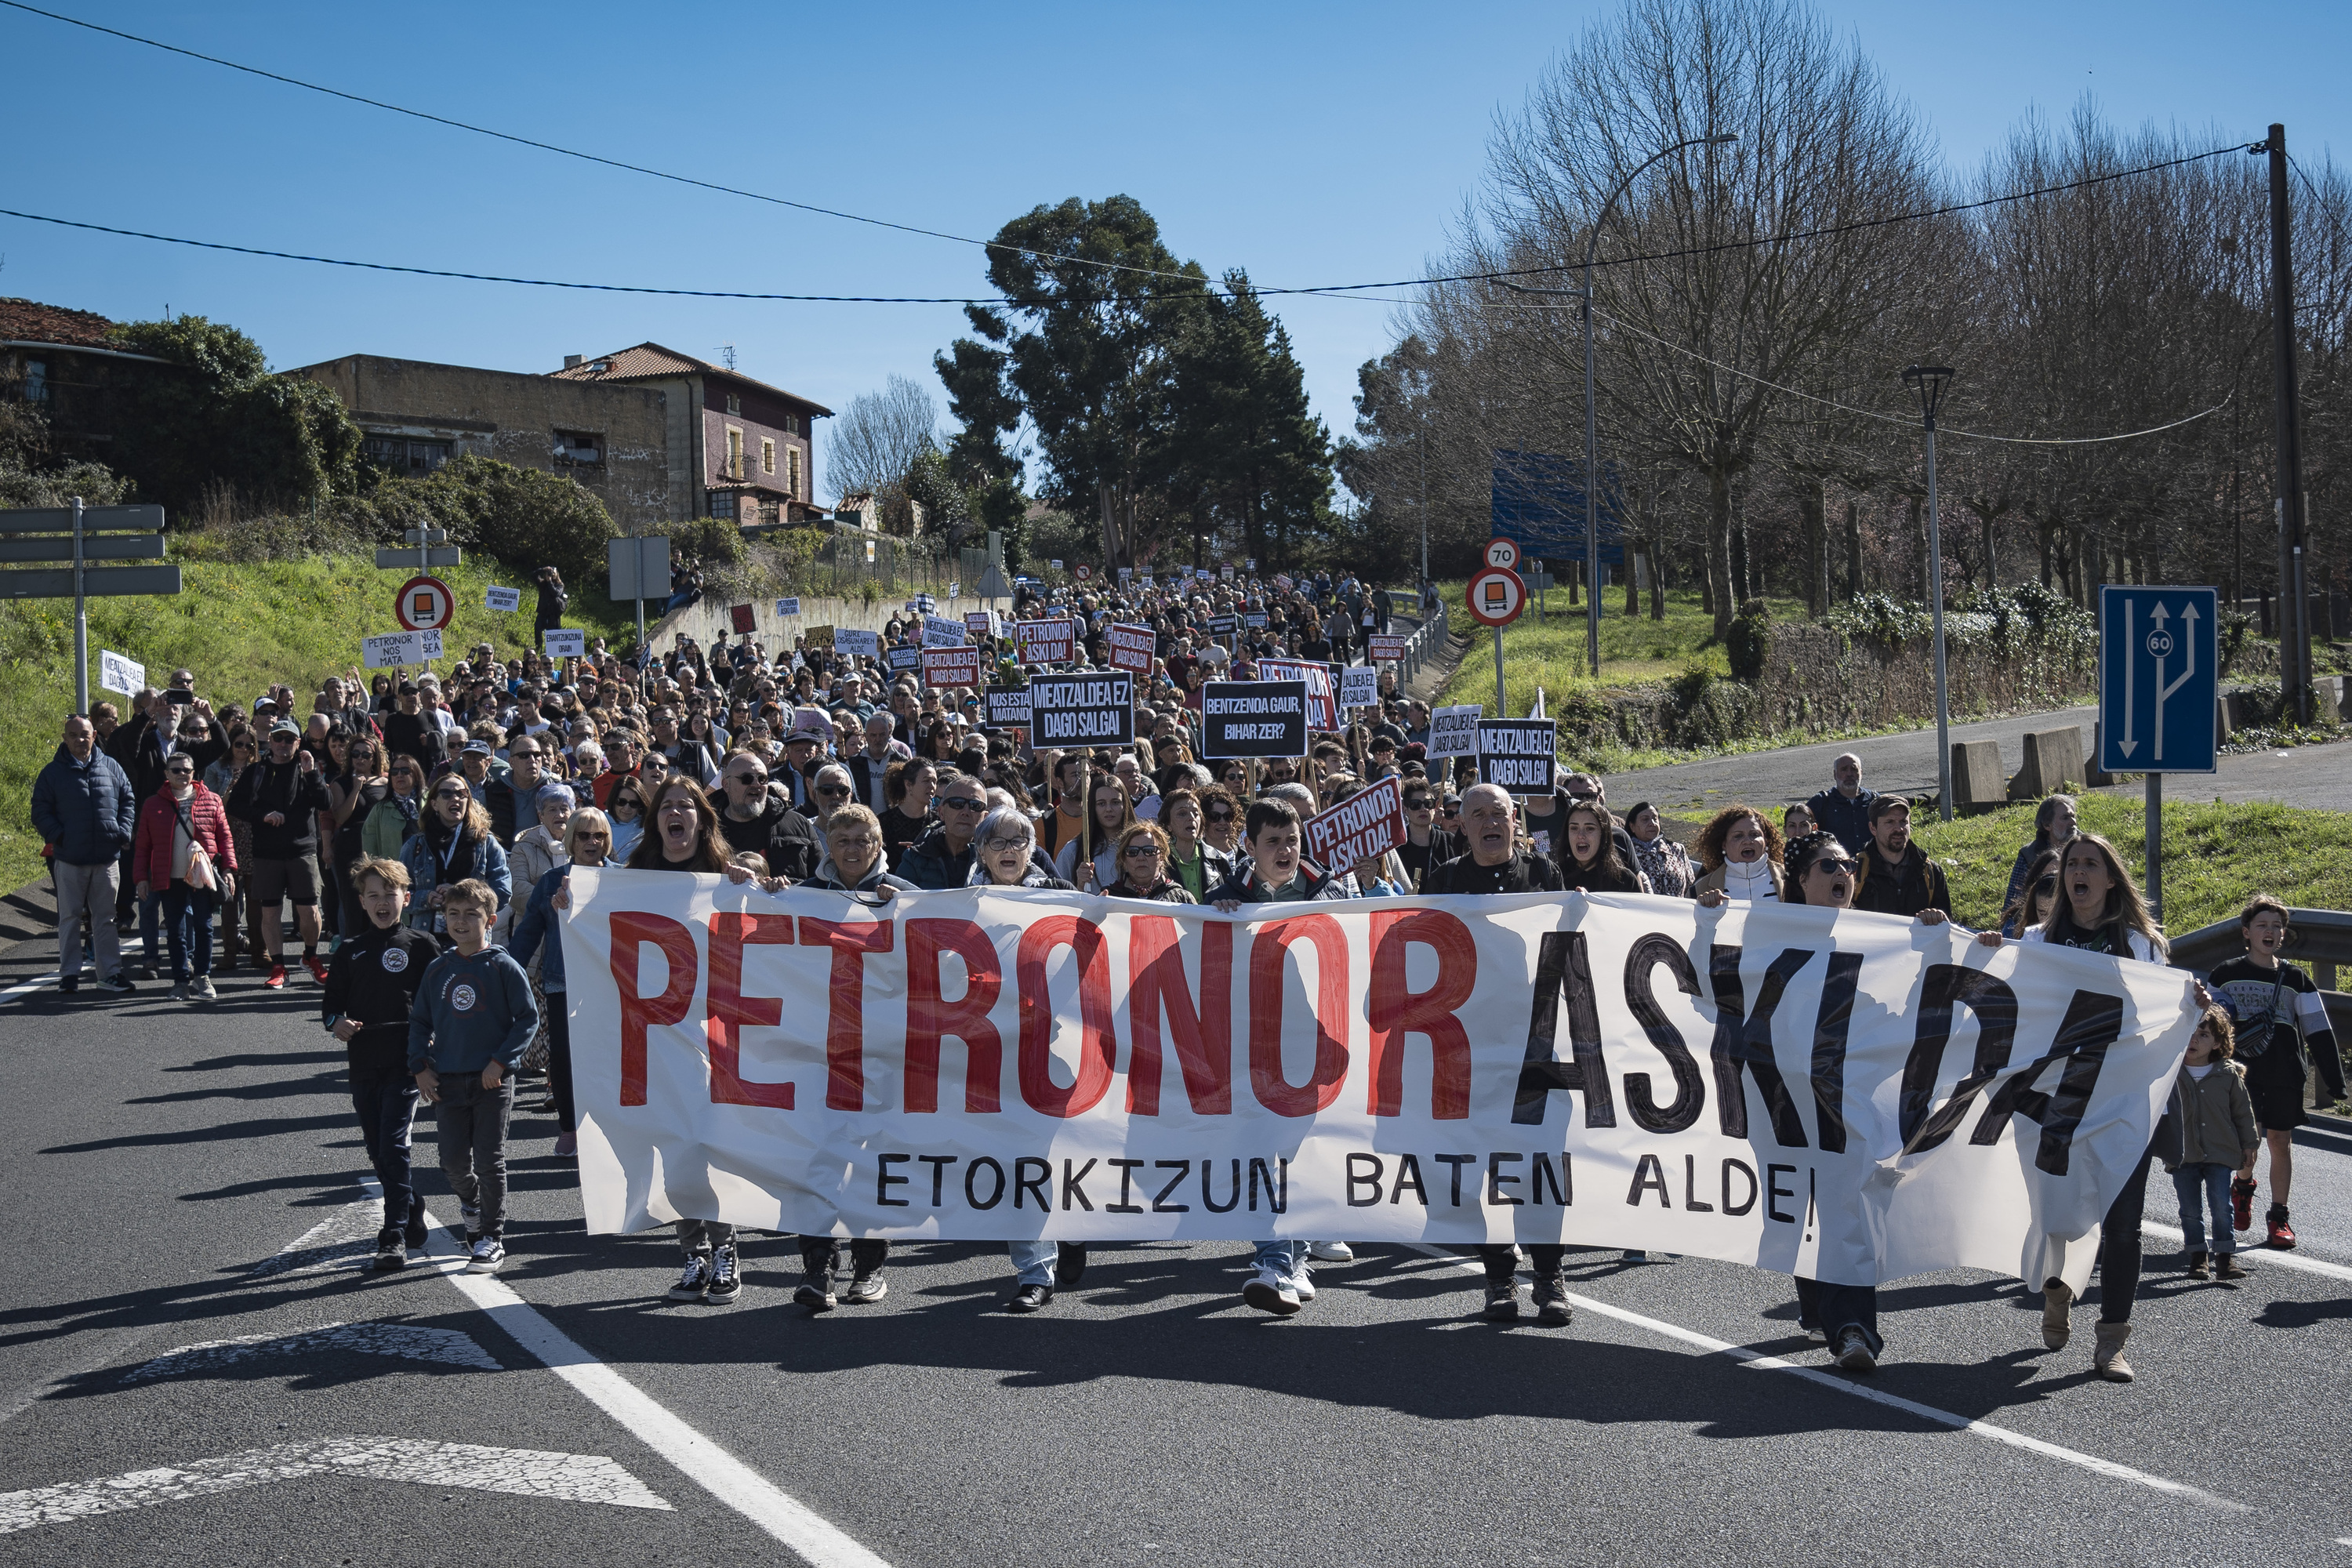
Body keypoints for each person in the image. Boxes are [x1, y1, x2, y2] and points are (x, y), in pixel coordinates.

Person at [1976, 833, 2186, 1382]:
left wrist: (2196, 1003)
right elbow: (2011, 1003)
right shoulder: (2039, 941)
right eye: (2072, 864)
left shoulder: (2143, 946)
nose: (2079, 872)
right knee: (2056, 1216)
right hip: (2056, 1103)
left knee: (2123, 1226)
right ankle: (2057, 1291)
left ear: (2111, 878)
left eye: (2091, 864)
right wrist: (1986, 953)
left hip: (2124, 1105)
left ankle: (2112, 1341)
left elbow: (2168, 1013)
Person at [1414, 782, 1572, 1322]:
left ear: (1514, 821)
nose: (1489, 822)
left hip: (1534, 1045)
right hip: (1466, 1049)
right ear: (1461, 824)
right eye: (1476, 814)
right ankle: (1499, 1277)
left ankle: (1550, 1276)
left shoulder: (1543, 875)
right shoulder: (1444, 880)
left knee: (1537, 1164)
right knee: (1476, 1167)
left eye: (1498, 813)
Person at [1205, 798, 1343, 1316]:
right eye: (1273, 842)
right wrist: (1212, 920)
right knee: (1263, 1156)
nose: (1285, 851)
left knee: (1299, 1158)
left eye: (1292, 841)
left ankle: (1297, 1257)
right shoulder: (1224, 900)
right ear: (1249, 846)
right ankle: (1273, 1264)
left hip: (1313, 1049)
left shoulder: (1331, 896)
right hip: (1252, 1050)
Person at [965, 805, 1086, 1312]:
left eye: (1020, 841)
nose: (1010, 851)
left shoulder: (1060, 897)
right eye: (999, 842)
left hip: (1051, 1045)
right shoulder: (958, 903)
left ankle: (1074, 1230)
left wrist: (1090, 902)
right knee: (1019, 1161)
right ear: (981, 852)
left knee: (1059, 1154)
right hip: (989, 1050)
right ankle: (1034, 1272)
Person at [795, 802, 910, 1308]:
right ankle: (818, 1267)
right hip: (821, 1052)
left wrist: (903, 909)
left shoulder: (905, 896)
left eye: (862, 840)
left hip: (883, 1054)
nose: (852, 849)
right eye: (842, 840)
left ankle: (869, 1266)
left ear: (878, 843)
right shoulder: (805, 897)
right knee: (817, 1159)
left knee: (872, 1162)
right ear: (827, 845)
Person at [408, 877, 538, 1276]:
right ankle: (473, 1205)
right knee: (450, 1162)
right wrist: (420, 1067)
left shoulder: (502, 965)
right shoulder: (438, 968)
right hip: (446, 1081)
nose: (461, 922)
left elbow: (527, 1019)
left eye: (471, 915)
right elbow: (419, 1022)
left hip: (491, 1083)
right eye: (453, 914)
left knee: (489, 1159)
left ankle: (491, 1238)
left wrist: (500, 1063)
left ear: (491, 920)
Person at [2206, 895, 2344, 1250]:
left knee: (2280, 1142)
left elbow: (2318, 1031)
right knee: (2246, 1144)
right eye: (2263, 925)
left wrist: (2335, 1080)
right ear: (2246, 932)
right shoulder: (2226, 975)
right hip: (2241, 1075)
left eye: (2277, 926)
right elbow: (2206, 1026)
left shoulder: (2298, 979)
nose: (2271, 931)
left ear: (2283, 935)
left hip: (2285, 1074)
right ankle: (2243, 1186)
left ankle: (2279, 1217)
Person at [324, 856, 441, 1270]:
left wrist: (431, 1046)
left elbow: (440, 1002)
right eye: (373, 895)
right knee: (378, 1150)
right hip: (363, 1063)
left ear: (406, 898)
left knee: (393, 1145)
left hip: (407, 1062)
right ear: (361, 902)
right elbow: (330, 1005)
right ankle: (411, 1206)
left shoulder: (423, 945)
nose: (382, 902)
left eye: (389, 894)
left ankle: (392, 1237)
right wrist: (335, 1023)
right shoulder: (350, 951)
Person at [507, 808, 615, 1160]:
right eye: (583, 835)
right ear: (570, 840)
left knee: (607, 1060)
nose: (591, 842)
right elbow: (527, 935)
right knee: (564, 1060)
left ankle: (606, 1129)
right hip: (561, 983)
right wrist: (504, 975)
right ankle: (570, 1128)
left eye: (598, 835)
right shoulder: (551, 882)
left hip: (610, 987)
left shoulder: (624, 880)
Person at [32, 714, 139, 994]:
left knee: (106, 918)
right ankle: (69, 974)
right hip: (70, 859)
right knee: (69, 918)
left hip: (106, 858)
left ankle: (110, 974)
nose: (81, 740)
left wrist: (123, 831)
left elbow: (128, 799)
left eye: (86, 734)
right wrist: (60, 836)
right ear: (65, 739)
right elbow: (40, 810)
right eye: (74, 735)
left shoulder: (111, 767)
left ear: (94, 736)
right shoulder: (52, 773)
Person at [227, 720, 335, 988]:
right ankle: (278, 966)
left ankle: (310, 957)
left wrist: (312, 774)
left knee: (309, 912)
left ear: (298, 743)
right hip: (267, 852)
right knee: (270, 913)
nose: (283, 744)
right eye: (278, 739)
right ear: (270, 741)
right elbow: (236, 805)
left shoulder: (308, 770)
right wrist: (263, 816)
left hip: (302, 850)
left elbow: (325, 803)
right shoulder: (257, 771)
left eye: (289, 740)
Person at [131, 747, 238, 1001]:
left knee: (204, 926)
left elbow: (225, 838)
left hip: (202, 876)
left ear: (194, 772)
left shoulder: (212, 800)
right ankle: (180, 980)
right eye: (176, 770)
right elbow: (143, 845)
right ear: (167, 773)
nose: (182, 774)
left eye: (187, 770)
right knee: (176, 931)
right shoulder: (153, 804)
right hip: (170, 877)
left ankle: (202, 976)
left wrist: (229, 870)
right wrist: (141, 879)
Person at [2164, 1004, 2259, 1282]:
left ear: (2217, 1042)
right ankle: (2197, 1257)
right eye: (2190, 1032)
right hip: (2183, 1153)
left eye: (2203, 1034)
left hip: (2220, 1151)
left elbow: (2243, 1112)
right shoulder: (2170, 1072)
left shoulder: (2227, 1074)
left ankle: (2225, 1259)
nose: (2194, 1039)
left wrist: (2249, 1143)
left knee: (2221, 1205)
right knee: (2190, 1209)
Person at [398, 774, 512, 941]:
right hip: (426, 939)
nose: (456, 798)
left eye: (462, 794)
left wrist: (461, 895)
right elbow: (398, 893)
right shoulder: (415, 845)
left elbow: (503, 891)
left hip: (472, 939)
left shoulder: (486, 842)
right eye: (447, 794)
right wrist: (426, 898)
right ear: (434, 804)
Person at [714, 752, 822, 883]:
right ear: (726, 785)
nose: (755, 784)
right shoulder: (706, 827)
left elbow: (822, 879)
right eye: (746, 779)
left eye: (762, 779)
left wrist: (785, 888)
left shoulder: (797, 824)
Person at [1851, 796, 1951, 920]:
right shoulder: (1854, 871)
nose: (1899, 829)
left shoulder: (1931, 871)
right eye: (1890, 822)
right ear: (1873, 828)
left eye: (1904, 821)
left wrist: (1937, 917)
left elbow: (1948, 927)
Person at [896, 771, 990, 891]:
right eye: (957, 803)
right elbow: (901, 902)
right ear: (941, 812)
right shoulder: (915, 858)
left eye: (975, 805)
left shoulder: (994, 861)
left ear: (985, 817)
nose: (965, 812)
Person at [2001, 794, 2079, 932]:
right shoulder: (2028, 854)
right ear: (2047, 825)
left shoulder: (2089, 850)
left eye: (2073, 816)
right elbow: (2012, 904)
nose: (2073, 822)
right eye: (2065, 818)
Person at [1055, 775, 1135, 891]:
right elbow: (1058, 898)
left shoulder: (1139, 849)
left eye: (1115, 802)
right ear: (1093, 807)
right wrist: (1079, 887)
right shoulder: (1073, 851)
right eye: (1101, 804)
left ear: (1125, 805)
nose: (1109, 809)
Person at [1692, 806, 1784, 905]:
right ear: (1724, 845)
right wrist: (1705, 910)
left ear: (1766, 840)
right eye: (1738, 836)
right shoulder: (1700, 889)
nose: (1748, 841)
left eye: (1754, 834)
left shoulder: (1791, 879)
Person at [1553, 800, 1647, 894]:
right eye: (1574, 828)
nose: (1580, 835)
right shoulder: (1555, 876)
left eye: (1590, 828)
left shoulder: (1625, 880)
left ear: (1603, 834)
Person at [1159, 789, 1231, 902]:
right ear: (1168, 824)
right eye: (1182, 813)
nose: (1191, 818)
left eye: (1196, 813)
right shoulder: (1158, 861)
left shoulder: (1220, 860)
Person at [1805, 753, 1875, 855]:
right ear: (1835, 774)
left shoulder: (1874, 800)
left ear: (1861, 773)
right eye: (1844, 770)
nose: (1849, 774)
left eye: (1854, 769)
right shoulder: (1821, 802)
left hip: (1872, 866)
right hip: (1836, 866)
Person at [1102, 821, 1192, 902]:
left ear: (1162, 857)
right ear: (1123, 858)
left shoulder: (1182, 899)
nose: (1141, 857)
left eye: (1149, 851)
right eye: (1132, 851)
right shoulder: (1109, 898)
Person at [1624, 802, 1695, 899]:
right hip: (1642, 912)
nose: (1652, 824)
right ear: (1632, 827)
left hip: (1677, 911)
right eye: (1645, 820)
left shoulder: (1677, 850)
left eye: (1655, 819)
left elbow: (1691, 887)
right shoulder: (1626, 854)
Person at [878, 757, 937, 870]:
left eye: (934, 781)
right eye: (926, 781)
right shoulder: (884, 822)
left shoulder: (938, 823)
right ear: (908, 785)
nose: (932, 786)